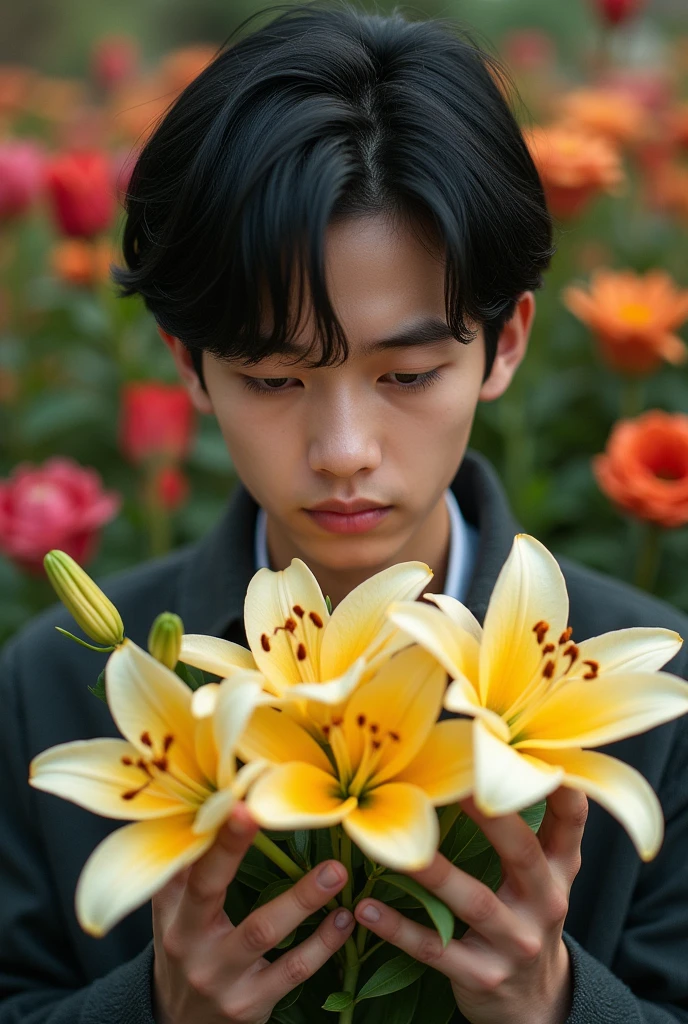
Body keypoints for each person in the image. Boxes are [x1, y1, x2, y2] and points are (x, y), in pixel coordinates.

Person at [1, 4, 687, 1023]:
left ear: (503, 346)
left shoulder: (655, 692)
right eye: (275, 380)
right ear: (190, 364)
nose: (343, 451)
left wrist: (558, 1004)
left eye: (406, 372)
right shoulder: (57, 685)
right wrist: (152, 1007)